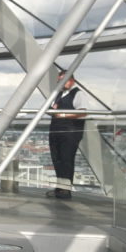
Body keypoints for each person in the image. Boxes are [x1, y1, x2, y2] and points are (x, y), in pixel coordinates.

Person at [48, 70, 87, 200]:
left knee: (66, 159)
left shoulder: (78, 94)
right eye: (59, 81)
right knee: (57, 159)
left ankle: (65, 190)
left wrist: (63, 114)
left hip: (70, 132)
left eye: (63, 80)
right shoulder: (59, 94)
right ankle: (60, 188)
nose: (60, 83)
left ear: (72, 81)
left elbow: (82, 113)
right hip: (56, 130)